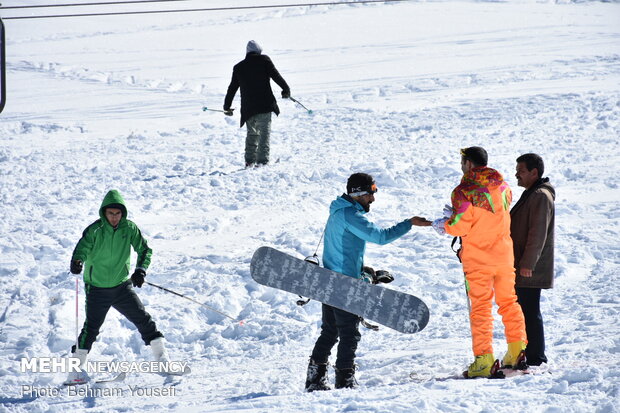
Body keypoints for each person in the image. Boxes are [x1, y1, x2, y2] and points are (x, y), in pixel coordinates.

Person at [305, 173, 431, 392]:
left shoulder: (338, 211)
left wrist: (364, 271)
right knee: (349, 333)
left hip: (330, 280)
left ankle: (314, 379)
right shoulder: (350, 214)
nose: (372, 200)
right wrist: (409, 223)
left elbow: (342, 249)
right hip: (344, 285)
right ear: (358, 194)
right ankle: (344, 381)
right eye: (370, 194)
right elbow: (380, 237)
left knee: (330, 331)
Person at [430, 147, 527, 378]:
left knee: (481, 308)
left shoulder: (463, 191)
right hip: (504, 255)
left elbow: (461, 226)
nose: (461, 166)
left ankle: (484, 359)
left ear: (469, 164)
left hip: (478, 259)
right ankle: (517, 351)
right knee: (509, 302)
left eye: (462, 162)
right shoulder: (503, 186)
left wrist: (445, 223)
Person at [64, 190, 168, 385]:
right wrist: (77, 261)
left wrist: (140, 270)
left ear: (123, 214)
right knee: (91, 329)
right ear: (104, 213)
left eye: (117, 213)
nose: (114, 217)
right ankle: (74, 373)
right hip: (97, 288)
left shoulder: (129, 228)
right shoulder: (95, 230)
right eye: (110, 213)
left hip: (122, 287)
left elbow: (144, 249)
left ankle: (162, 359)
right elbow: (82, 248)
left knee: (143, 320)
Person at [511, 153, 555, 366]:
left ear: (534, 172)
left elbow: (537, 234)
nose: (516, 174)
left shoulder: (539, 196)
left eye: (521, 170)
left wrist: (528, 263)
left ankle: (536, 357)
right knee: (525, 310)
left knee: (529, 311)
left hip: (529, 267)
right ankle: (530, 353)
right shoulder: (532, 193)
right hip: (524, 265)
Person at [223, 40, 291, 167]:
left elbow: (232, 88)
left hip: (249, 108)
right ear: (259, 51)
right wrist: (286, 89)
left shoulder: (238, 67)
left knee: (252, 134)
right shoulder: (264, 60)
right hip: (264, 105)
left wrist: (227, 106)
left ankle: (249, 161)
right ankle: (262, 162)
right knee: (264, 134)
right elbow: (276, 76)